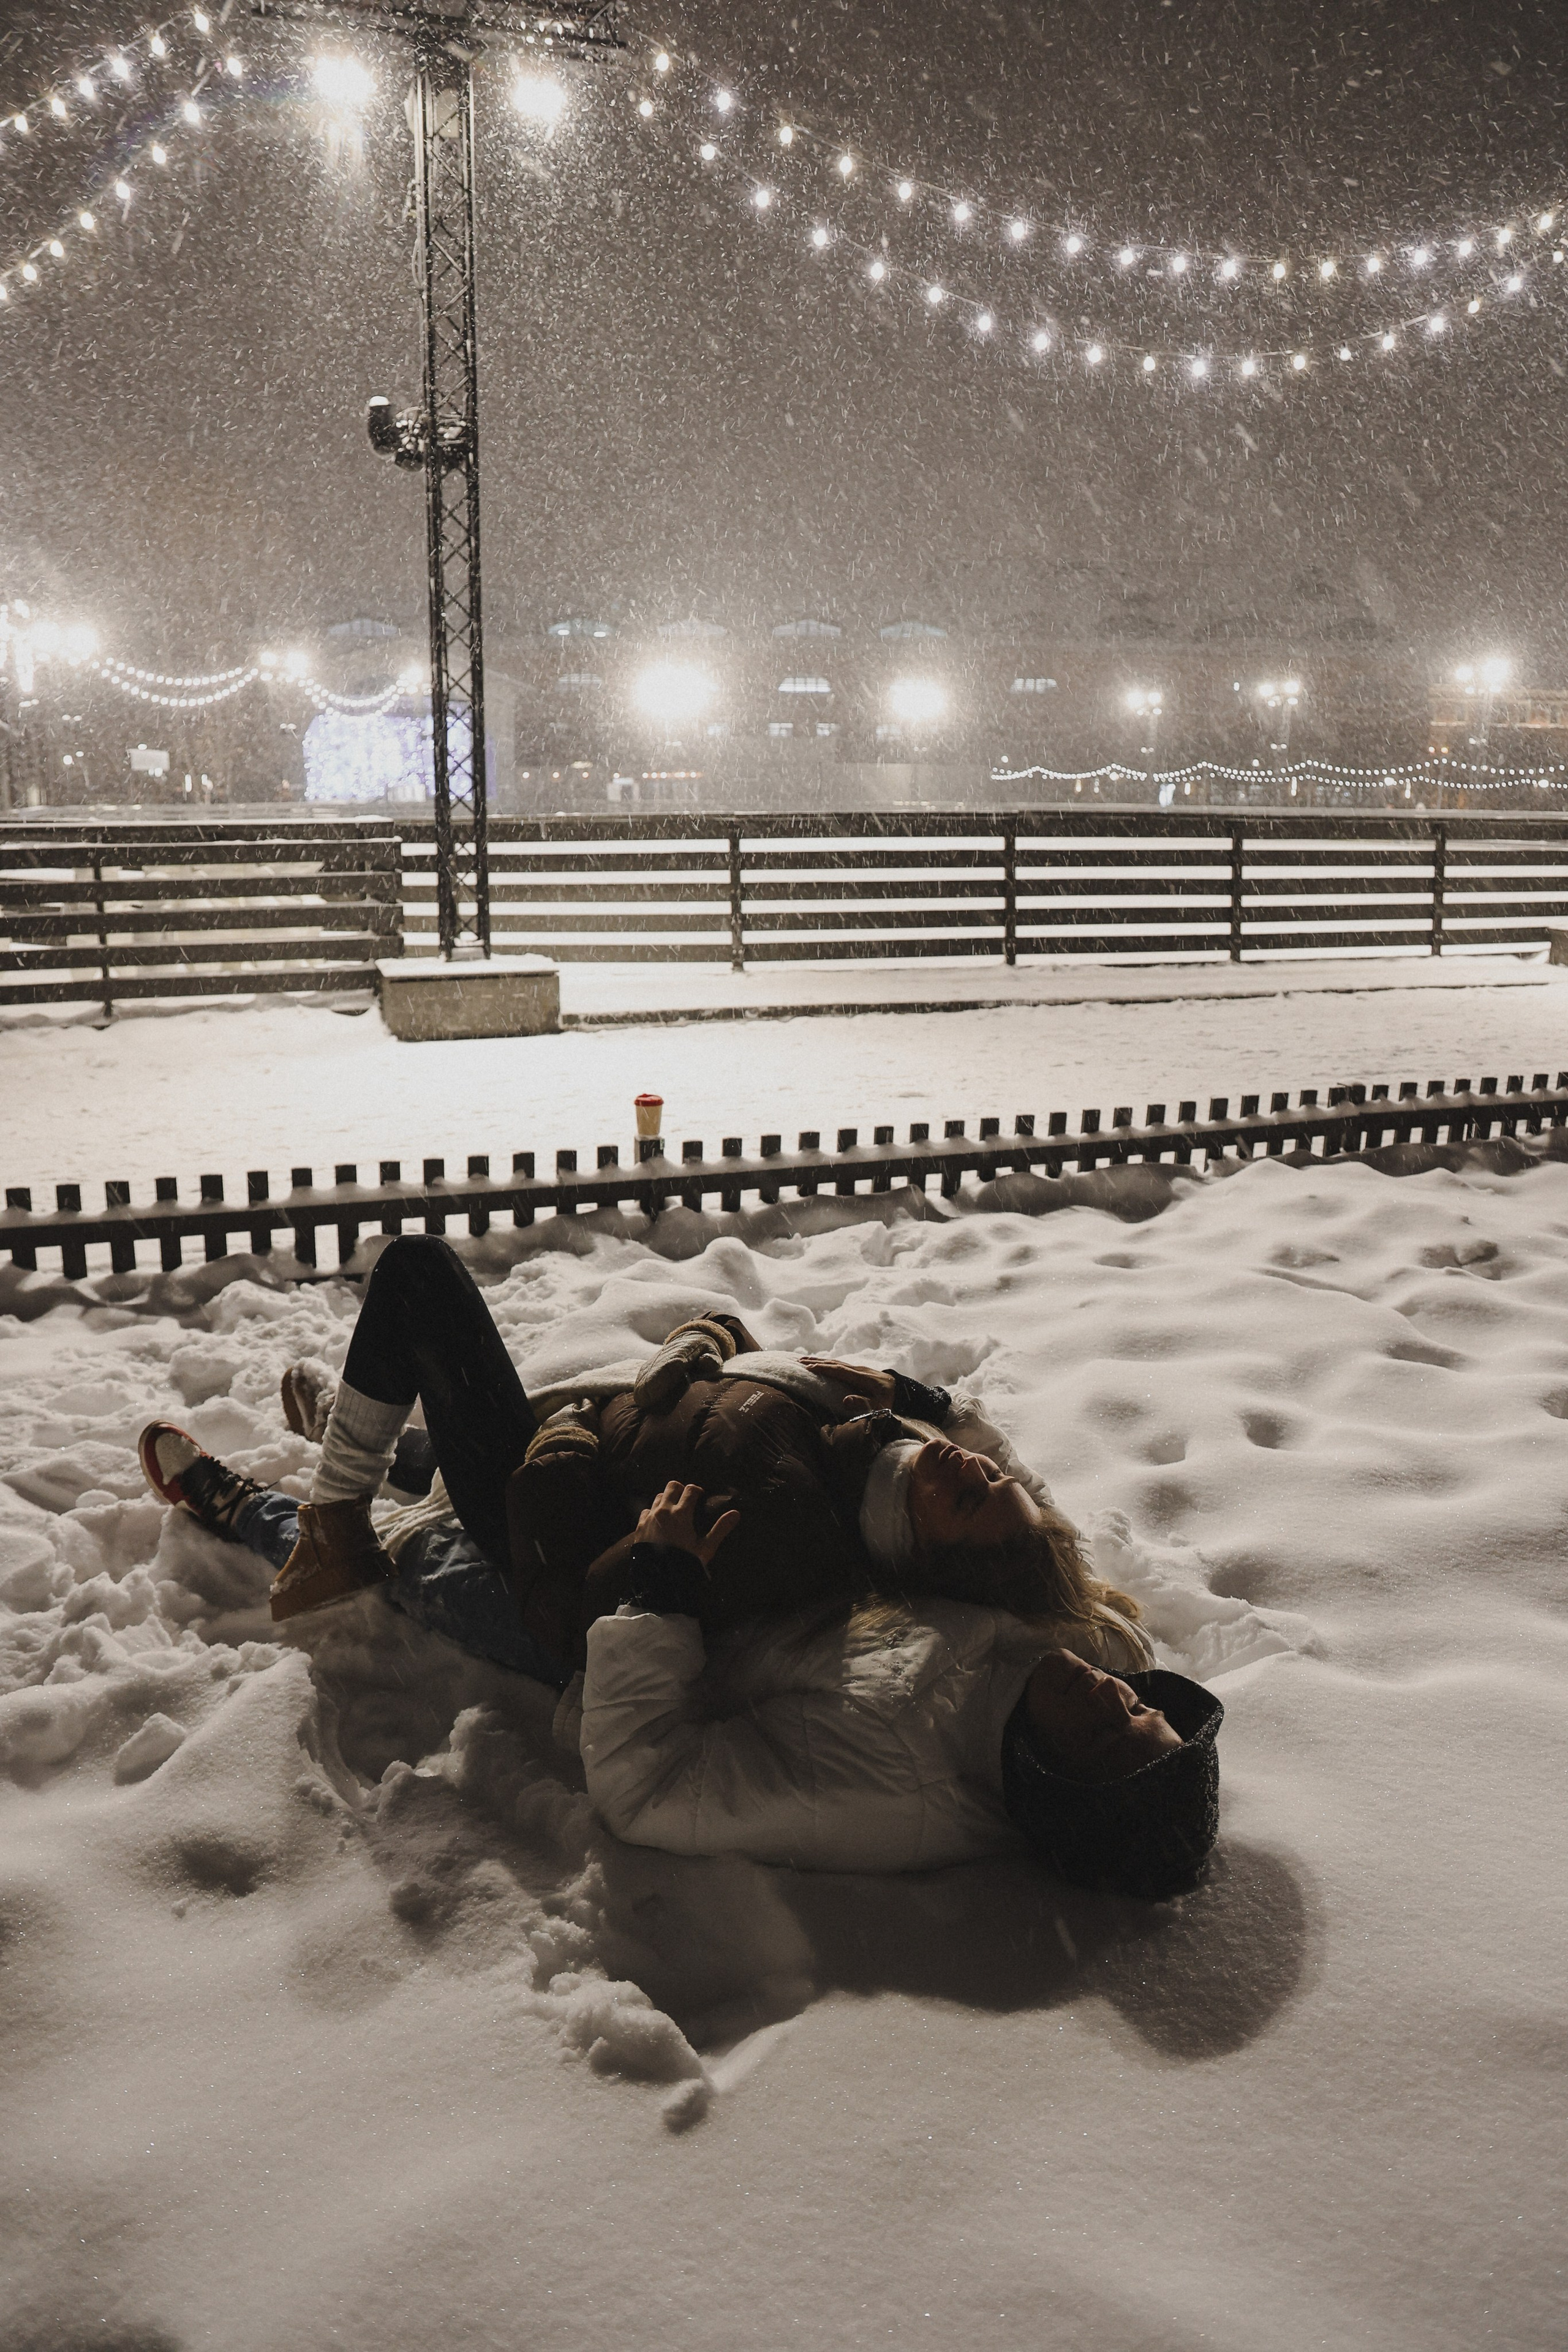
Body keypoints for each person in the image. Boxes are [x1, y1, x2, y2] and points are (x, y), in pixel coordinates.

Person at [140, 1234, 1148, 1678]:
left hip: (534, 1509)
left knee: (415, 1282)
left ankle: (262, 1509)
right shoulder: (863, 1430)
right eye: (997, 1477)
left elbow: (578, 1606)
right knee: (426, 1436)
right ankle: (355, 1426)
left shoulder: (795, 1526)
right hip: (568, 1433)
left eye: (976, 1502)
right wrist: (710, 1346)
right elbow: (989, 1453)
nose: (980, 1471)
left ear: (927, 1550)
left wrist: (562, 1466)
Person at [577, 1480, 1224, 1897]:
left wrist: (659, 1588)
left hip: (610, 1615)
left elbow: (644, 1788)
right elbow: (1023, 1517)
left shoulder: (881, 1781)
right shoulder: (1090, 1653)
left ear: (1053, 1780)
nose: (1113, 1695)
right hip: (760, 1531)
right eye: (1140, 1706)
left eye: (1103, 1732)